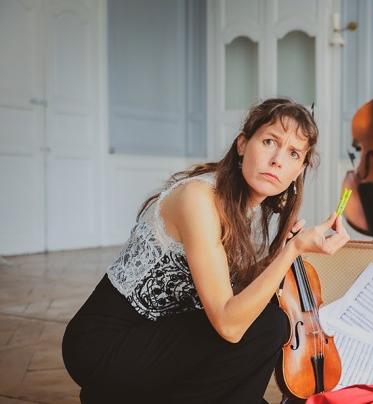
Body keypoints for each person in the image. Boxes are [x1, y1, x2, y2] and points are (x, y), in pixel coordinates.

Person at [62, 98, 350, 404]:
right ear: (242, 144)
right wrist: (291, 251)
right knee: (268, 325)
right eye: (269, 142)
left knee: (269, 324)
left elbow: (238, 302)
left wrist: (284, 253)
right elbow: (229, 324)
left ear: (299, 170)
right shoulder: (199, 197)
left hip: (161, 341)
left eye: (294, 153)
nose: (278, 159)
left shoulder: (250, 213)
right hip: (105, 343)